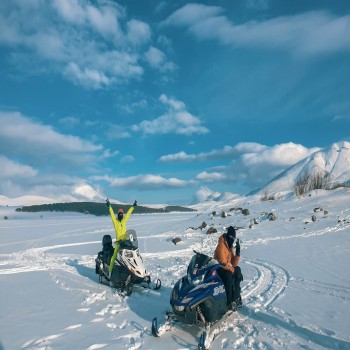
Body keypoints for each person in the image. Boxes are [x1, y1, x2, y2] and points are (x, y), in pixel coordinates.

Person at [106, 198, 137, 279]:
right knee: (114, 258)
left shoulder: (124, 221)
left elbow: (128, 214)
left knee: (129, 257)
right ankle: (109, 273)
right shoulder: (116, 222)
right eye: (119, 213)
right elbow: (112, 214)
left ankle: (130, 272)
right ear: (118, 214)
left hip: (125, 242)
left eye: (122, 214)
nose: (121, 215)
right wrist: (109, 206)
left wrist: (133, 207)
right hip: (118, 243)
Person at [213, 226, 243, 310]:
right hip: (218, 267)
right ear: (227, 235)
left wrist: (238, 252)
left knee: (238, 270)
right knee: (229, 276)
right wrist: (233, 270)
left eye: (233, 238)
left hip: (224, 267)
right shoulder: (221, 245)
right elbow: (223, 263)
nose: (232, 239)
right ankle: (229, 302)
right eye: (231, 237)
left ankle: (236, 296)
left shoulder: (229, 246)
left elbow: (234, 263)